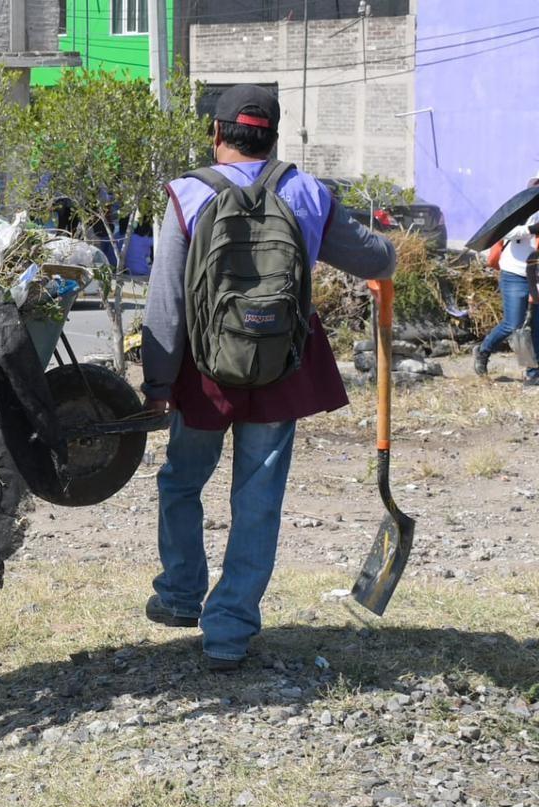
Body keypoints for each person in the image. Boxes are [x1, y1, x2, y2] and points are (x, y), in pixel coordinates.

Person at [140, 85, 397, 671]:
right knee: (258, 498)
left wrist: (158, 383)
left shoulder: (187, 194)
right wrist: (391, 254)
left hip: (205, 369)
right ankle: (228, 631)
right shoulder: (306, 191)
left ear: (217, 134)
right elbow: (373, 257)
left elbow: (165, 303)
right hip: (282, 367)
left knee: (181, 480)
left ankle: (180, 594)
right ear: (274, 135)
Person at [473, 177, 539, 382]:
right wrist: (530, 230)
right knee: (514, 323)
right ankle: (484, 350)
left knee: (536, 325)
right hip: (515, 273)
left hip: (536, 274)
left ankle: (532, 374)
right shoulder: (522, 210)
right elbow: (503, 231)